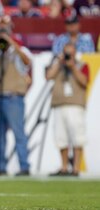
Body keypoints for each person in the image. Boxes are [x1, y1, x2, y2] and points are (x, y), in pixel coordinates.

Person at [0, 16, 32, 176]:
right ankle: (0, 166)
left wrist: (11, 42)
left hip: (13, 97)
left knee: (19, 133)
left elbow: (27, 62)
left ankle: (24, 166)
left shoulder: (19, 50)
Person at [46, 43, 89, 176]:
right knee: (61, 137)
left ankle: (76, 168)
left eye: (70, 53)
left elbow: (84, 81)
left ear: (75, 53)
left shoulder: (82, 65)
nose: (68, 55)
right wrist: (59, 63)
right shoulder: (58, 65)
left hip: (75, 105)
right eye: (66, 52)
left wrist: (73, 67)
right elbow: (48, 76)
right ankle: (64, 167)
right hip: (59, 104)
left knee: (77, 137)